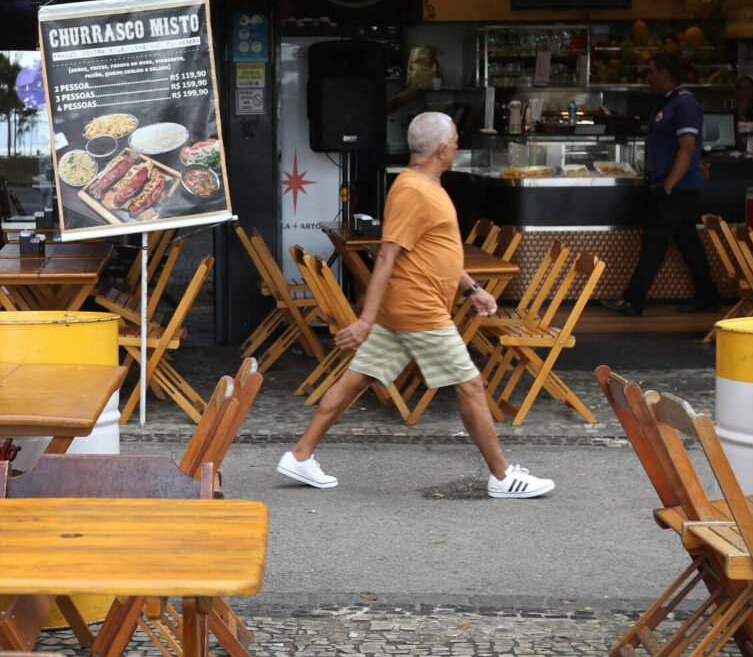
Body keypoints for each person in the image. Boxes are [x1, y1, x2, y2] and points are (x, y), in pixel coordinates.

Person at [276, 112, 555, 500]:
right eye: (456, 139)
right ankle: (503, 475)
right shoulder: (412, 190)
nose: (458, 145)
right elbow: (387, 256)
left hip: (406, 309)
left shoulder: (425, 185)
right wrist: (364, 321)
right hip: (419, 310)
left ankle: (300, 455)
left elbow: (434, 249)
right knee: (472, 385)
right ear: (442, 149)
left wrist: (472, 287)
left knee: (358, 377)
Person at [601, 53, 720, 317]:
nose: (648, 76)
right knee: (688, 242)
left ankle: (634, 301)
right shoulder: (668, 102)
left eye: (652, 71)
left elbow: (687, 148)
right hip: (674, 185)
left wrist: (668, 184)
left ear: (665, 73)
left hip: (677, 189)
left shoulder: (685, 104)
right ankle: (709, 295)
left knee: (655, 240)